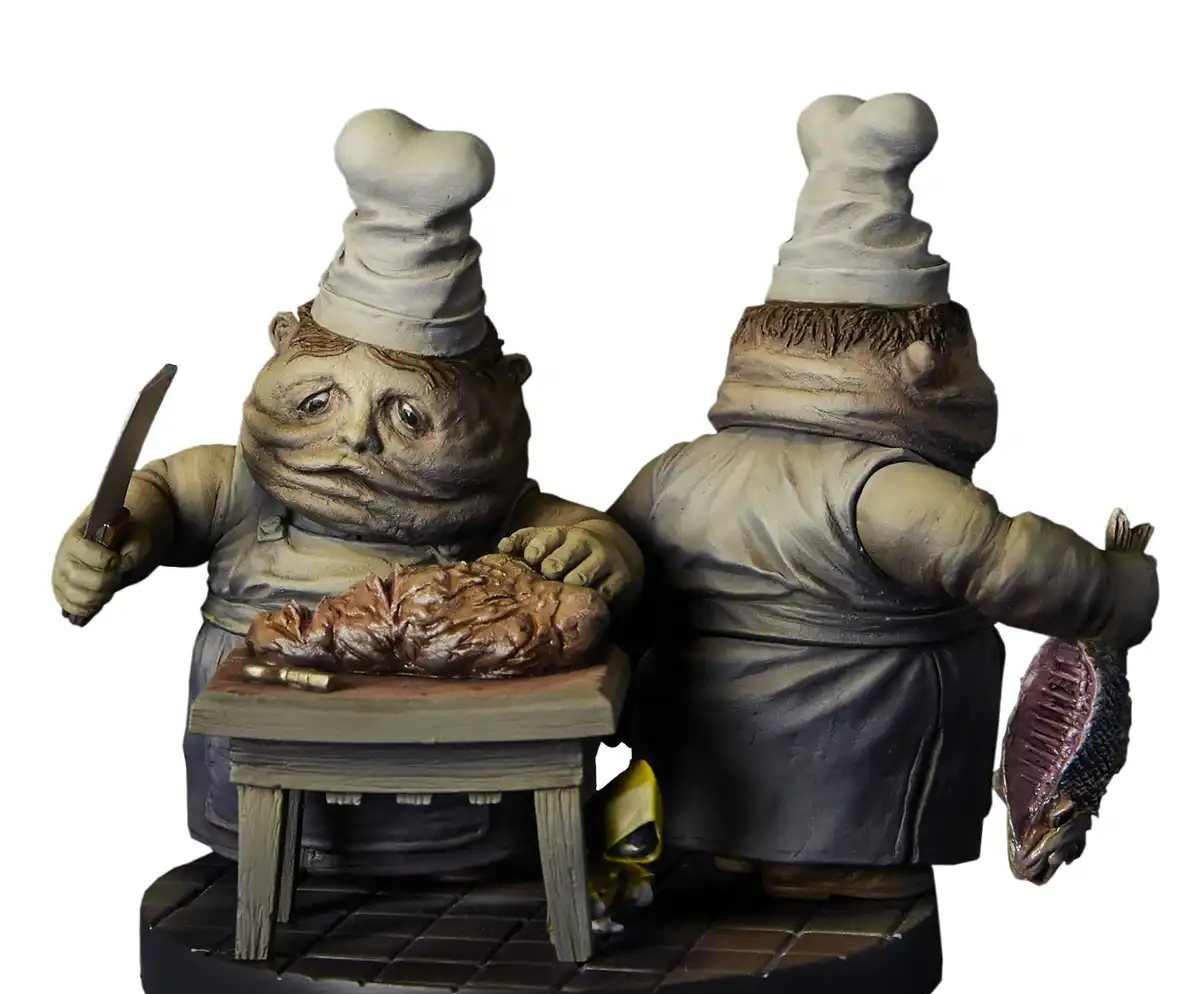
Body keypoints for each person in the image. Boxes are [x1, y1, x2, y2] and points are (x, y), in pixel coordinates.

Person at [52, 109, 641, 876]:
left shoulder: (492, 514)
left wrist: (600, 553)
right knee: (263, 877)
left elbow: (591, 531)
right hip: (259, 783)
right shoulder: (243, 485)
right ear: (281, 345)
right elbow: (159, 492)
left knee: (459, 881)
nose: (357, 438)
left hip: (451, 806)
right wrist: (115, 536)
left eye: (408, 416)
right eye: (319, 401)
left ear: (501, 397)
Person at [610, 94, 1157, 900]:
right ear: (923, 366)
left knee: (719, 813)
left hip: (697, 761)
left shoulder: (676, 470)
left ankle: (728, 852)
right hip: (851, 779)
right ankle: (827, 870)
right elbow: (1012, 563)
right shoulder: (888, 491)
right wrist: (1117, 592)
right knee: (843, 850)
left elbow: (621, 572)